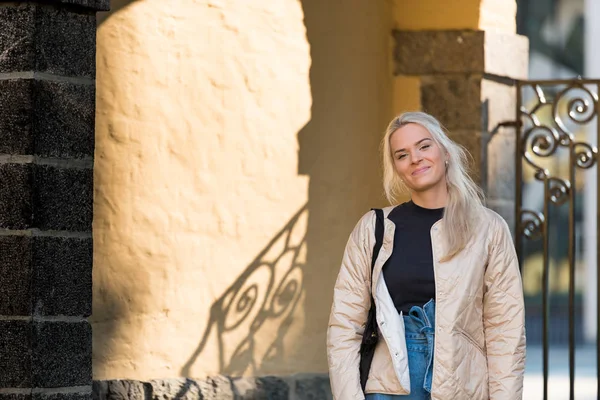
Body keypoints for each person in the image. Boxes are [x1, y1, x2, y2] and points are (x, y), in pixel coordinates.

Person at [326, 111, 526, 400]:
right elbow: (344, 325)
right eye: (402, 154)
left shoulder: (488, 229)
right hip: (389, 388)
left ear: (445, 152)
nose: (415, 158)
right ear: (396, 168)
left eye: (424, 146)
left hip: (462, 387)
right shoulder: (373, 229)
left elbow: (505, 332)